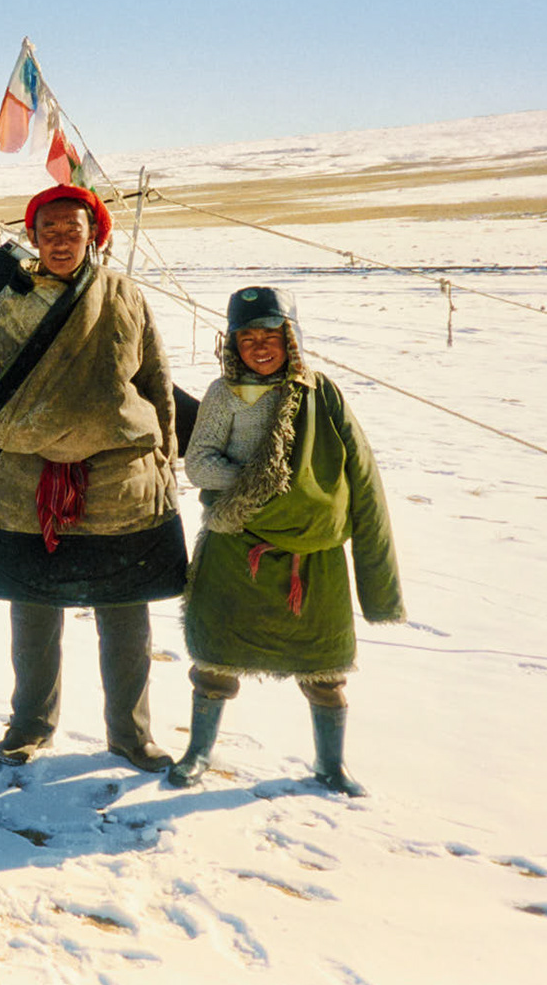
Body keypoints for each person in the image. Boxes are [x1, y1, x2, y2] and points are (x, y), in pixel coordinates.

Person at [0, 184, 188, 769]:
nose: (60, 241)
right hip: (30, 486)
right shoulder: (7, 304)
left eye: (72, 230)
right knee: (32, 614)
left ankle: (131, 735)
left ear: (94, 235)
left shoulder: (122, 295)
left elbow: (154, 381)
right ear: (32, 237)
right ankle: (30, 724)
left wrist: (166, 466)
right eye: (48, 231)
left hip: (118, 483)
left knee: (126, 616)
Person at [168, 285, 404, 795]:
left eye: (270, 334)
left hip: (311, 553)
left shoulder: (323, 394)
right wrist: (266, 485)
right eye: (247, 336)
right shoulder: (222, 395)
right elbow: (200, 464)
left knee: (325, 667)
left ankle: (330, 765)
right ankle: (198, 752)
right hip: (237, 547)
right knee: (215, 659)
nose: (259, 346)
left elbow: (361, 478)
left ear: (290, 337)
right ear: (232, 342)